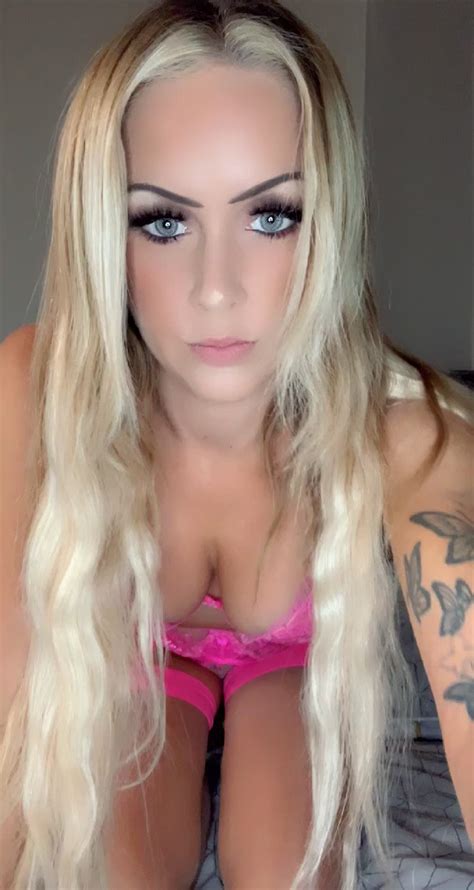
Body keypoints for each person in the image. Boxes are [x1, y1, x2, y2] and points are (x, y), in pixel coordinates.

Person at [0, 1, 472, 888]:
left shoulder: (408, 430)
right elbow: (9, 699)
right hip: (139, 658)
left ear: (329, 220)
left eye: (273, 216)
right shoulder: (39, 387)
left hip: (292, 668)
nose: (216, 290)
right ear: (102, 230)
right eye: (163, 222)